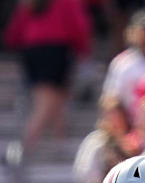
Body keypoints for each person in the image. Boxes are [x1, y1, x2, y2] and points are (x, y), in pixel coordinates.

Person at [3, 0, 91, 147]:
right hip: (55, 50)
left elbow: (15, 29)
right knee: (46, 103)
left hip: (32, 49)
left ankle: (60, 143)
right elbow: (78, 24)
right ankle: (22, 149)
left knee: (58, 102)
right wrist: (83, 49)